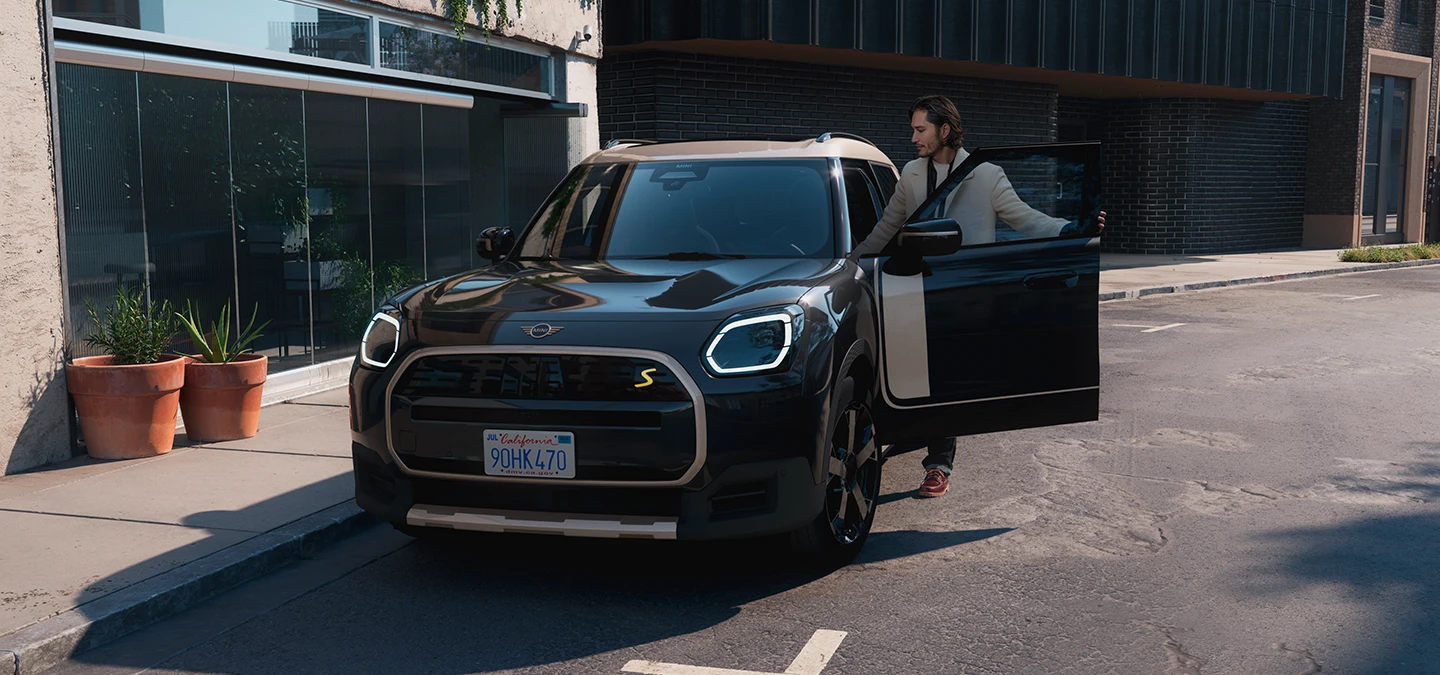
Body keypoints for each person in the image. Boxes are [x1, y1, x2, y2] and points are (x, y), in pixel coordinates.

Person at [849, 94, 1104, 498]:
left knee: (949, 378)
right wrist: (850, 263)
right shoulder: (912, 175)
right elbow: (887, 229)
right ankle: (912, 432)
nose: (913, 137)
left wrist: (1074, 229)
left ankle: (938, 466)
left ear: (944, 130)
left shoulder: (985, 174)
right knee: (915, 376)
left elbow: (1023, 218)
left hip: (965, 289)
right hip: (914, 289)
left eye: (920, 130)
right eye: (913, 129)